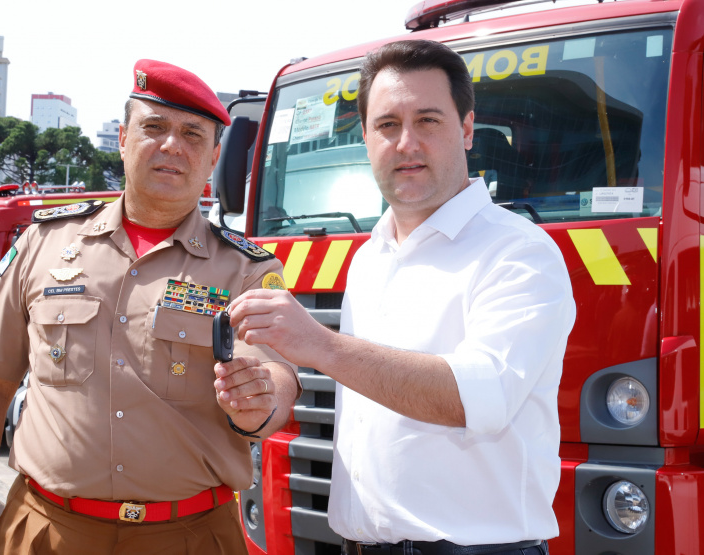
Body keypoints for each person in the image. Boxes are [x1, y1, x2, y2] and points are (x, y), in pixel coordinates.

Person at [228, 40, 576, 555]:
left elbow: (479, 397)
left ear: (466, 129)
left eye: (429, 120)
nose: (406, 142)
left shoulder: (519, 251)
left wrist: (318, 345)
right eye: (387, 124)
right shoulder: (371, 257)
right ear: (366, 137)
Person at [0, 59, 299, 555]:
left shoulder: (248, 270)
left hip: (191, 538)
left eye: (193, 135)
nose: (172, 145)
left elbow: (277, 377)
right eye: (154, 127)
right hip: (46, 532)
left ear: (214, 158)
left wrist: (264, 400)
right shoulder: (42, 245)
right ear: (124, 140)